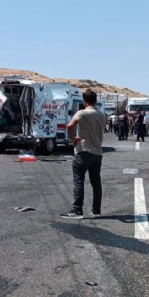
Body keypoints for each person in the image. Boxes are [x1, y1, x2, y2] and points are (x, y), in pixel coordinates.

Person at [60, 90, 106, 219]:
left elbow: (70, 126)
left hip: (83, 151)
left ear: (84, 101)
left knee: (78, 181)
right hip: (97, 153)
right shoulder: (102, 115)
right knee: (96, 182)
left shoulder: (82, 113)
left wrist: (73, 139)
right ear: (96, 100)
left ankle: (77, 210)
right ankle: (96, 210)